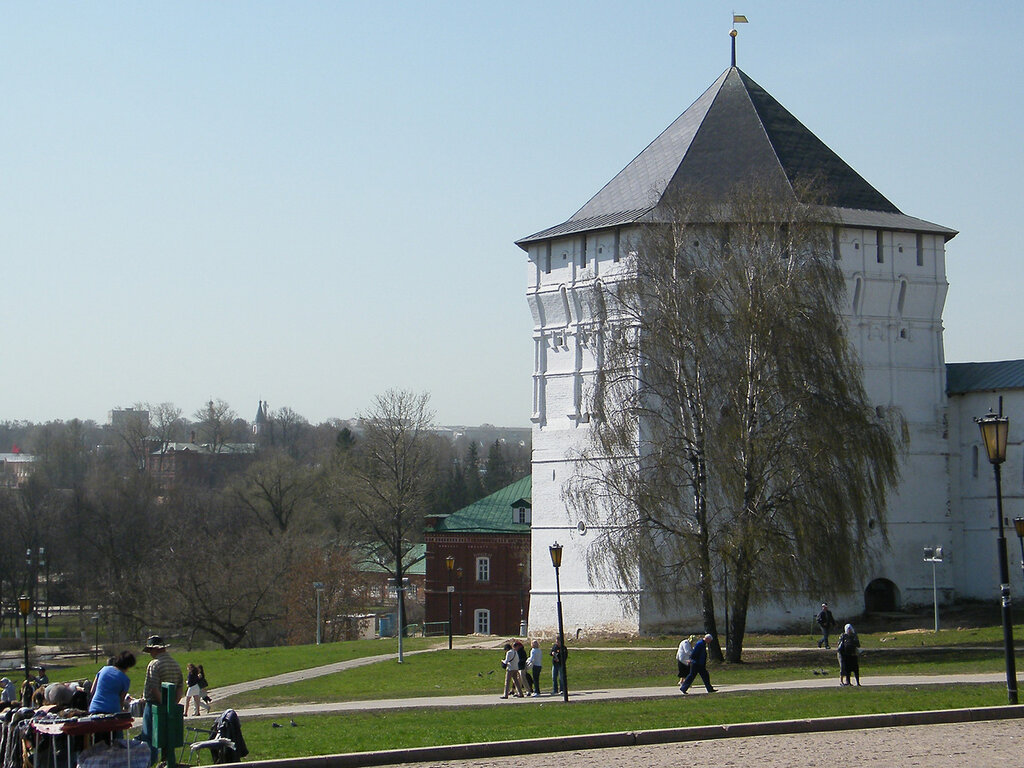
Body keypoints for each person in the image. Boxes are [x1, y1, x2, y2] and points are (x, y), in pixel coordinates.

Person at [139, 635, 183, 765]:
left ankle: (150, 763)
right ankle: (166, 761)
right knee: (168, 737)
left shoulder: (154, 664)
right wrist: (173, 704)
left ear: (155, 650)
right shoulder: (175, 664)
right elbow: (180, 687)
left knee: (150, 737)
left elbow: (154, 688)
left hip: (154, 705)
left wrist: (163, 705)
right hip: (171, 704)